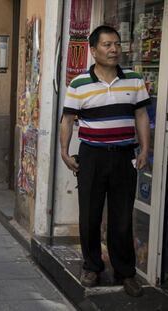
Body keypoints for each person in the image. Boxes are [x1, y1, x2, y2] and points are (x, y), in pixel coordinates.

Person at [60, 25, 150, 297]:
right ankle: (92, 266)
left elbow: (142, 116)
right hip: (92, 156)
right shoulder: (79, 84)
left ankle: (126, 272)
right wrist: (65, 152)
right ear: (94, 50)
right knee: (90, 214)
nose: (113, 49)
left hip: (124, 157)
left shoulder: (134, 80)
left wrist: (145, 148)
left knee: (122, 217)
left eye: (117, 44)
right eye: (107, 45)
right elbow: (67, 120)